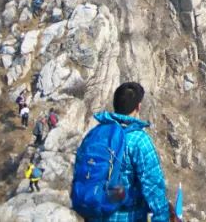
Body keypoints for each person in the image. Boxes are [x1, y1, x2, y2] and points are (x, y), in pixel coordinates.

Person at [71, 82, 178, 221]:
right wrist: (162, 218)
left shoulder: (96, 133)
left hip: (94, 214)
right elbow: (153, 187)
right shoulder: (139, 140)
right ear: (138, 107)